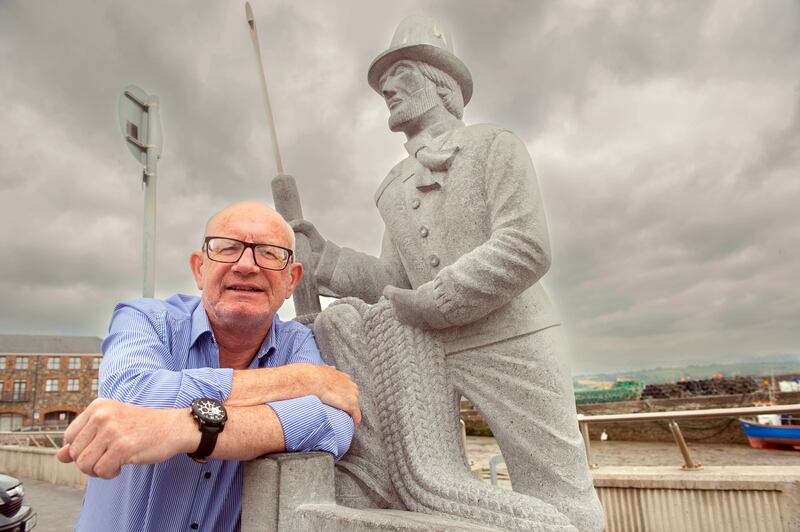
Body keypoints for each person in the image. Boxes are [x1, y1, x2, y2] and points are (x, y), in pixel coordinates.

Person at [293, 15, 604, 531]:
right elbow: (394, 277)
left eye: (402, 72)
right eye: (383, 79)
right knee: (421, 481)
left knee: (560, 492)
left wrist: (438, 301)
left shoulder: (495, 146)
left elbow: (525, 245)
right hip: (431, 354)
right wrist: (329, 261)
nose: (387, 87)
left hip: (515, 340)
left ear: (442, 85)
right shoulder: (392, 186)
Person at [57, 201, 360, 532]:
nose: (246, 265)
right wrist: (300, 380)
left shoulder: (298, 342)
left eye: (270, 253)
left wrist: (184, 429)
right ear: (199, 269)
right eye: (228, 248)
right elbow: (132, 394)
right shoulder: (146, 319)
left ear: (292, 280)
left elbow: (333, 423)